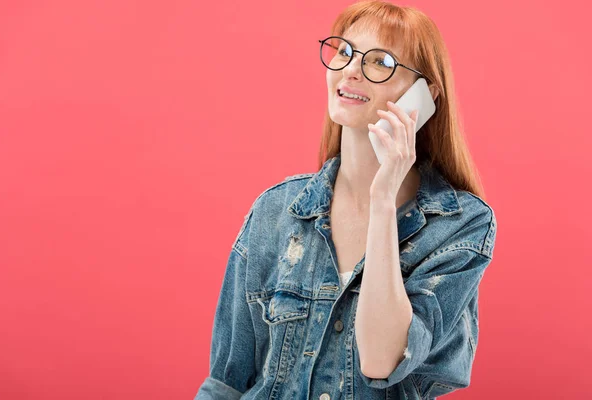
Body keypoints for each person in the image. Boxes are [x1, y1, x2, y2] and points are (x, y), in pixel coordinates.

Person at [196, 0, 497, 398]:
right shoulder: (274, 211)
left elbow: (382, 359)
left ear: (424, 95)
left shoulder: (460, 226)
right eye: (344, 52)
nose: (351, 69)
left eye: (380, 61)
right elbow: (226, 383)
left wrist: (384, 198)